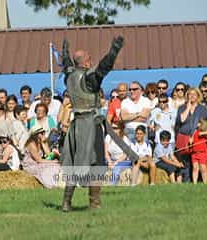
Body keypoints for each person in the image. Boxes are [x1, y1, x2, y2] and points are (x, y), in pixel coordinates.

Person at [60, 36, 124, 211]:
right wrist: (114, 51)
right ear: (86, 62)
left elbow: (65, 63)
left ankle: (66, 202)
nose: (92, 62)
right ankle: (94, 203)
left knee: (74, 162)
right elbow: (104, 67)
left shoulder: (69, 76)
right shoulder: (89, 78)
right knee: (96, 163)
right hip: (90, 124)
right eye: (90, 59)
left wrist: (64, 51)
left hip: (75, 126)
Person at [175, 87, 207, 182]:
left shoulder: (202, 109)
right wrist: (188, 107)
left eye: (194, 94)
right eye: (190, 94)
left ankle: (202, 181)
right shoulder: (182, 108)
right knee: (186, 162)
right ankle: (187, 181)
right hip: (184, 139)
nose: (192, 96)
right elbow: (181, 120)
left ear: (198, 96)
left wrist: (202, 133)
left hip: (198, 140)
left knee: (200, 163)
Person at [104, 121, 132, 185]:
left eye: (116, 128)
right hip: (111, 160)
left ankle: (111, 185)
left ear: (121, 129)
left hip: (123, 161)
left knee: (116, 167)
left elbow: (125, 155)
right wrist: (109, 162)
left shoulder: (125, 139)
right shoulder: (108, 137)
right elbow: (106, 152)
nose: (113, 130)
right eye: (112, 128)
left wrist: (116, 163)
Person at [190, 118, 207, 184]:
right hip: (194, 153)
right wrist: (190, 140)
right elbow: (191, 139)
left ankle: (205, 183)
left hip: (202, 152)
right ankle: (194, 183)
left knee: (203, 168)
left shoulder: (204, 131)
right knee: (195, 168)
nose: (196, 124)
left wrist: (202, 133)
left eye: (198, 123)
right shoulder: (194, 131)